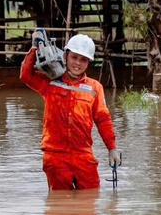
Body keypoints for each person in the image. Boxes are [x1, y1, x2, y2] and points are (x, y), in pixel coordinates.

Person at [20, 31, 121, 190]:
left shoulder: (94, 88)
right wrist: (34, 48)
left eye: (83, 60)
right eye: (74, 57)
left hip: (83, 155)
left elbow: (103, 120)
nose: (77, 63)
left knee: (90, 200)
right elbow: (26, 75)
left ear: (89, 62)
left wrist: (112, 149)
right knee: (59, 205)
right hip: (55, 156)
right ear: (65, 56)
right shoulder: (50, 82)